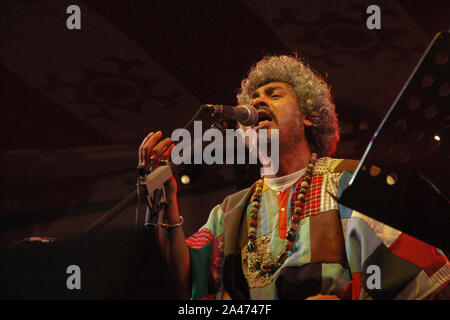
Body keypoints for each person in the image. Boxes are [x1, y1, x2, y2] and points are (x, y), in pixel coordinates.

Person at [138, 55, 449, 300]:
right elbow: (182, 285)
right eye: (253, 99)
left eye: (273, 95)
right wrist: (164, 201)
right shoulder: (228, 212)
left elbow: (419, 281)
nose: (257, 102)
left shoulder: (350, 180)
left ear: (308, 116)